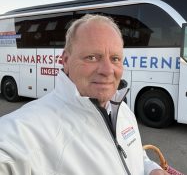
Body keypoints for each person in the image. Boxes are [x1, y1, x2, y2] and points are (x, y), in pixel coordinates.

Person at [0, 14, 169, 175]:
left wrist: (150, 169)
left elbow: (132, 154)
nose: (108, 70)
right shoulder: (29, 129)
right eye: (92, 57)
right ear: (65, 60)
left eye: (115, 58)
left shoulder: (122, 109)